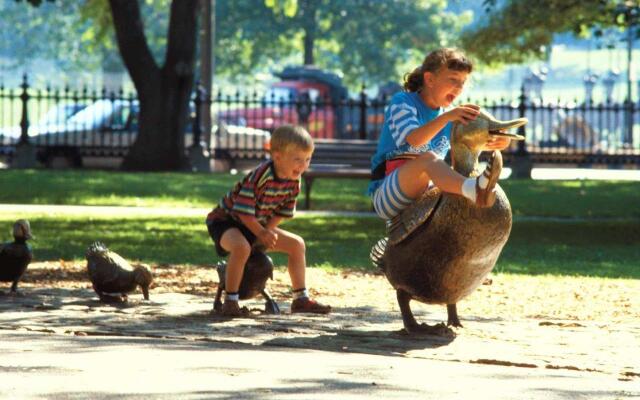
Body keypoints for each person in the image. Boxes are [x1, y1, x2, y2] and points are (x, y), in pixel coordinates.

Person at [368, 47, 512, 220]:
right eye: (453, 79)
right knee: (428, 159)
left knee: (454, 176)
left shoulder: (450, 115)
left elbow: (473, 143)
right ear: (430, 79)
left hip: (428, 190)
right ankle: (473, 189)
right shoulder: (403, 102)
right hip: (387, 191)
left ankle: (473, 191)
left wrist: (499, 141)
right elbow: (415, 140)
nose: (459, 88)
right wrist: (447, 117)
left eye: (463, 82)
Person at [206, 124, 331, 317]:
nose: (303, 165)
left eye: (307, 159)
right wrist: (262, 233)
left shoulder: (294, 180)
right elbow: (243, 213)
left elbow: (282, 211)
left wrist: (267, 231)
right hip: (226, 221)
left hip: (256, 225)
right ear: (278, 156)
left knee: (297, 244)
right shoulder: (261, 176)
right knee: (241, 248)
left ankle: (301, 298)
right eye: (297, 159)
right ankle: (230, 301)